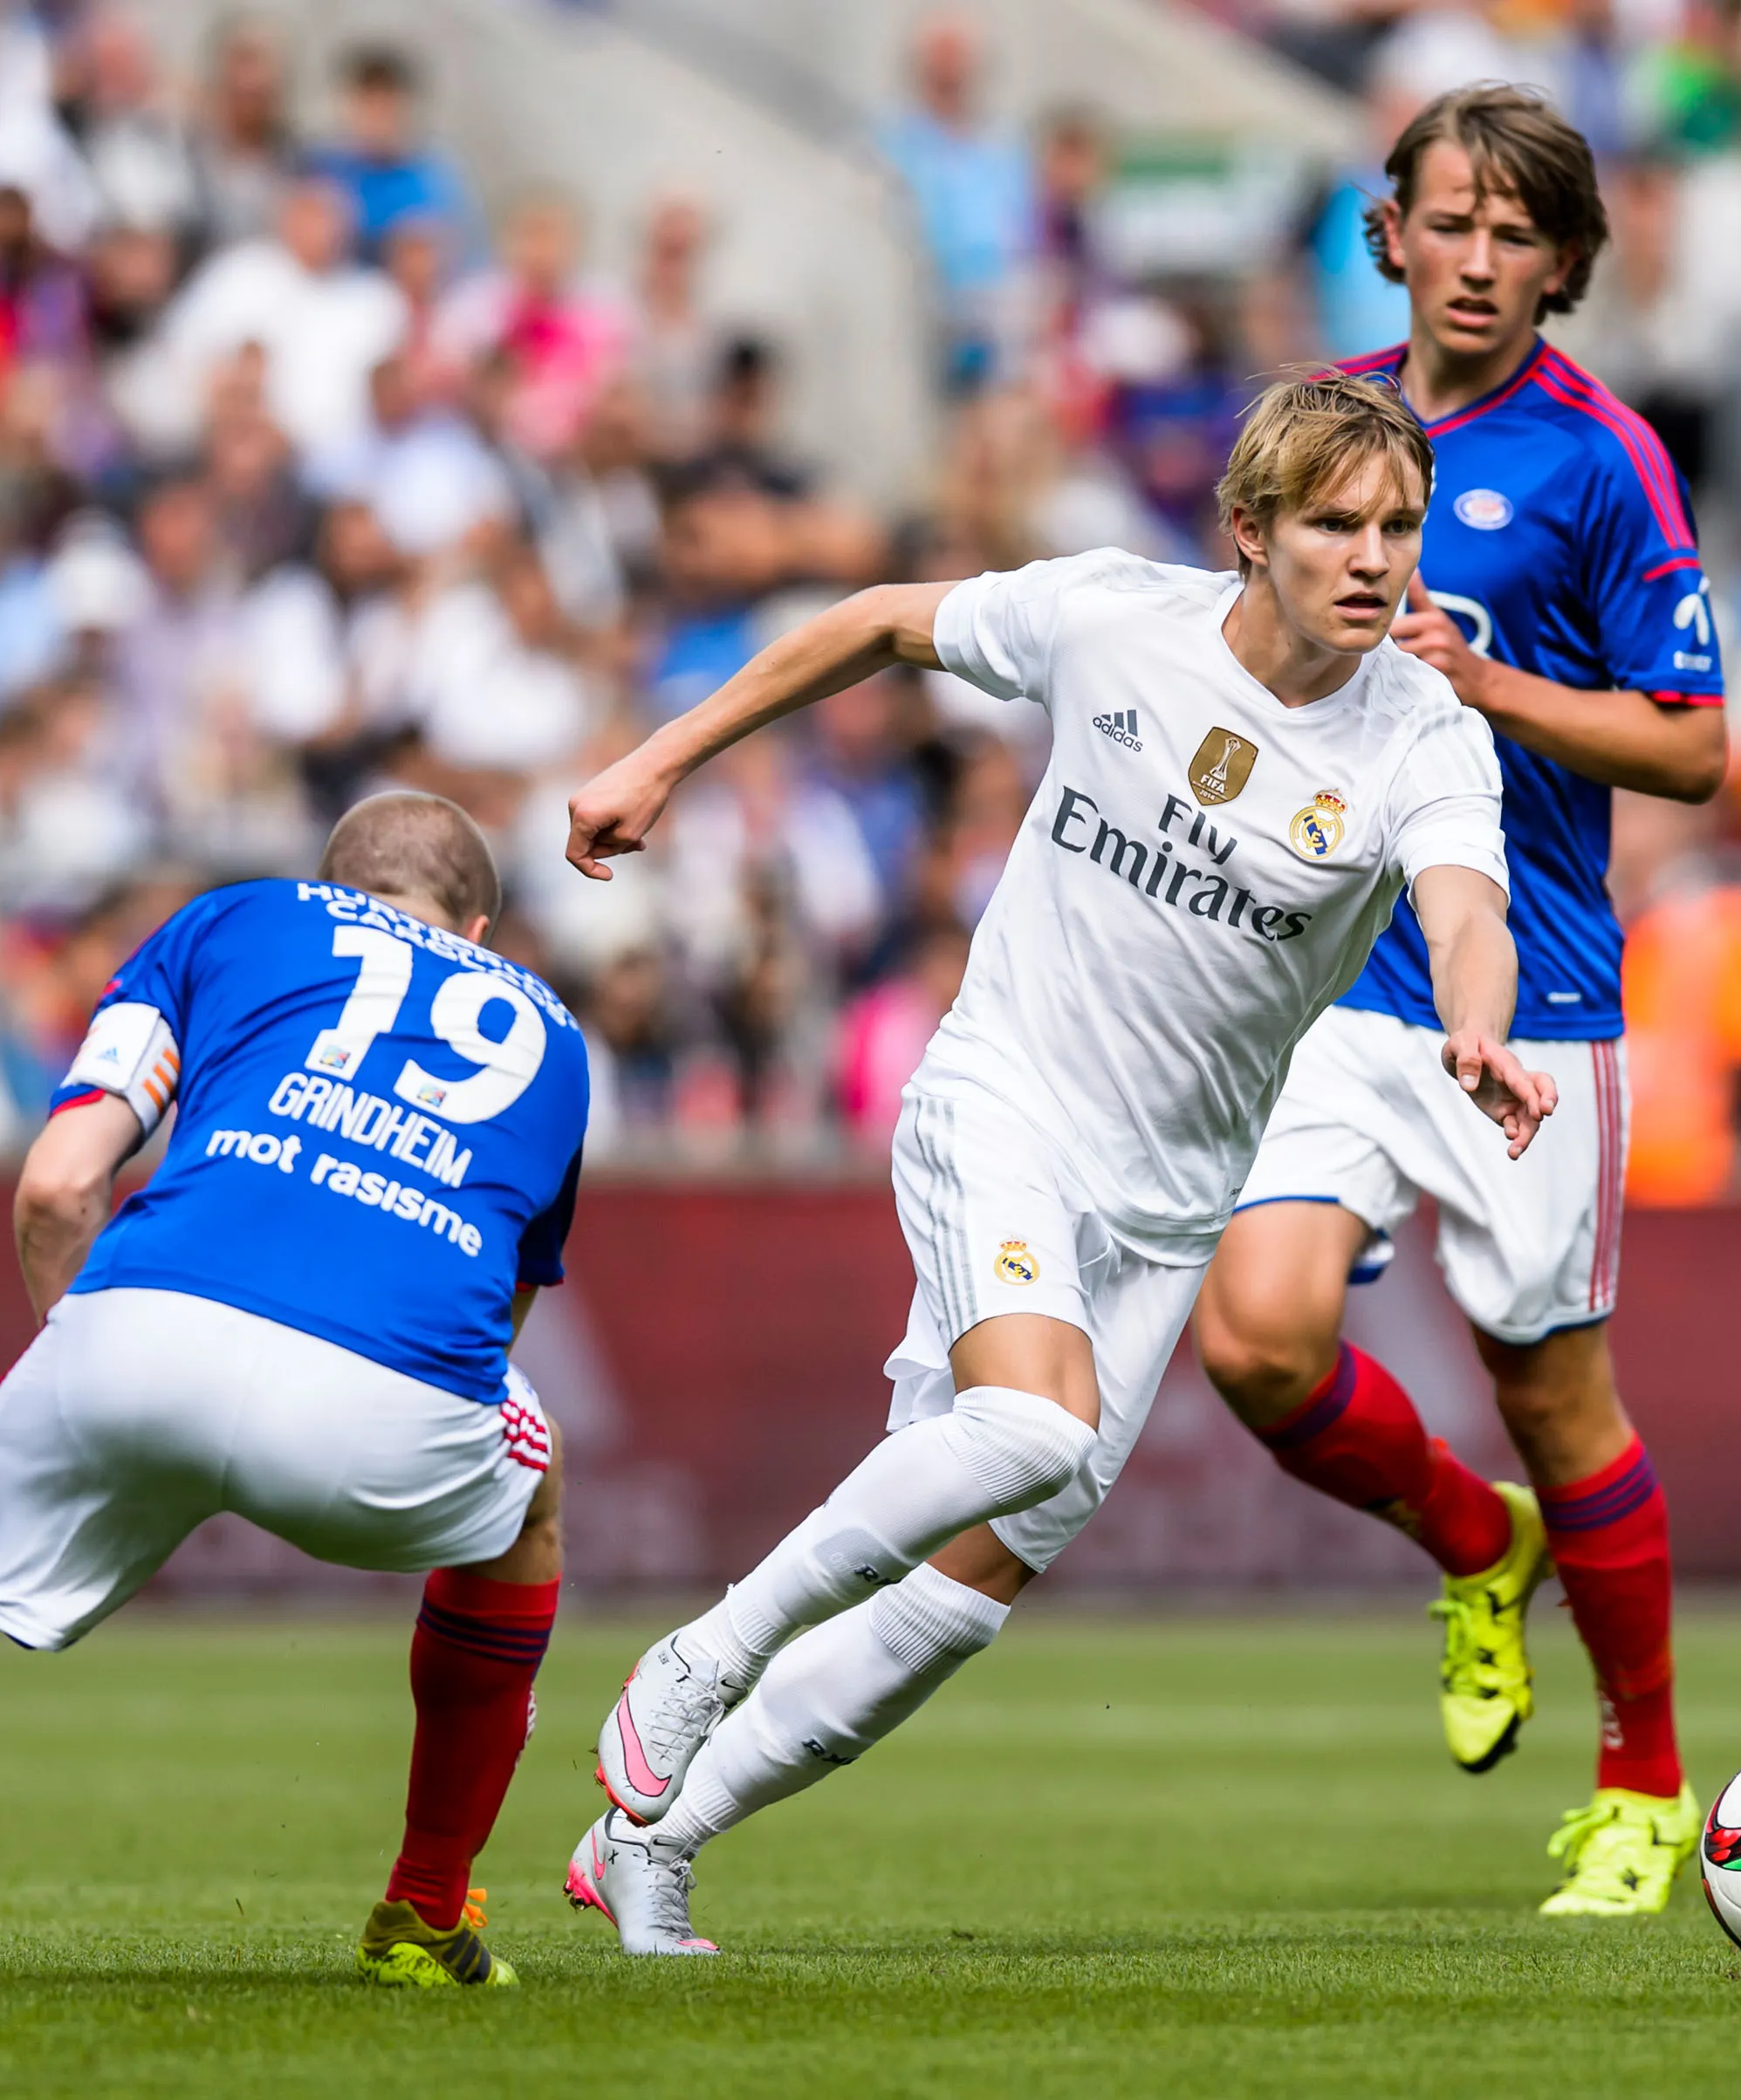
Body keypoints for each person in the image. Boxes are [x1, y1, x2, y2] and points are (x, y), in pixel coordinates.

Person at [560, 373, 1549, 1955]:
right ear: (1249, 531)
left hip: (1169, 1212)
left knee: (958, 1599)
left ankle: (652, 1841)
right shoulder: (1110, 619)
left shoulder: (1422, 734)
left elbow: (1465, 910)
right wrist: (658, 761)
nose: (1373, 559)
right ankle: (702, 1655)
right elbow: (877, 620)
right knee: (1031, 1420)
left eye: (1397, 527)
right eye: (1333, 525)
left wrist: (1477, 1025)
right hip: (1002, 1100)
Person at [0, 792, 590, 1992]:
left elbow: (57, 1185)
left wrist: (86, 1361)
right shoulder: (554, 1034)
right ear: (481, 930)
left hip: (143, 1324)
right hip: (387, 1402)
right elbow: (495, 1316)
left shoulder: (234, 920)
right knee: (530, 1491)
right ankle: (424, 1908)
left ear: (324, 883)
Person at [1188, 86, 1728, 1919]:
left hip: (1533, 987)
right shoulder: (1323, 431)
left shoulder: (1601, 460)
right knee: (1254, 1341)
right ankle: (1469, 1542)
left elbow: (1692, 748)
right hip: (1334, 972)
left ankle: (1643, 1786)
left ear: (1562, 262)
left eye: (1516, 233)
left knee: (1549, 1392)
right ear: (1391, 234)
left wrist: (1483, 687)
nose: (1477, 260)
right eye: (1449, 222)